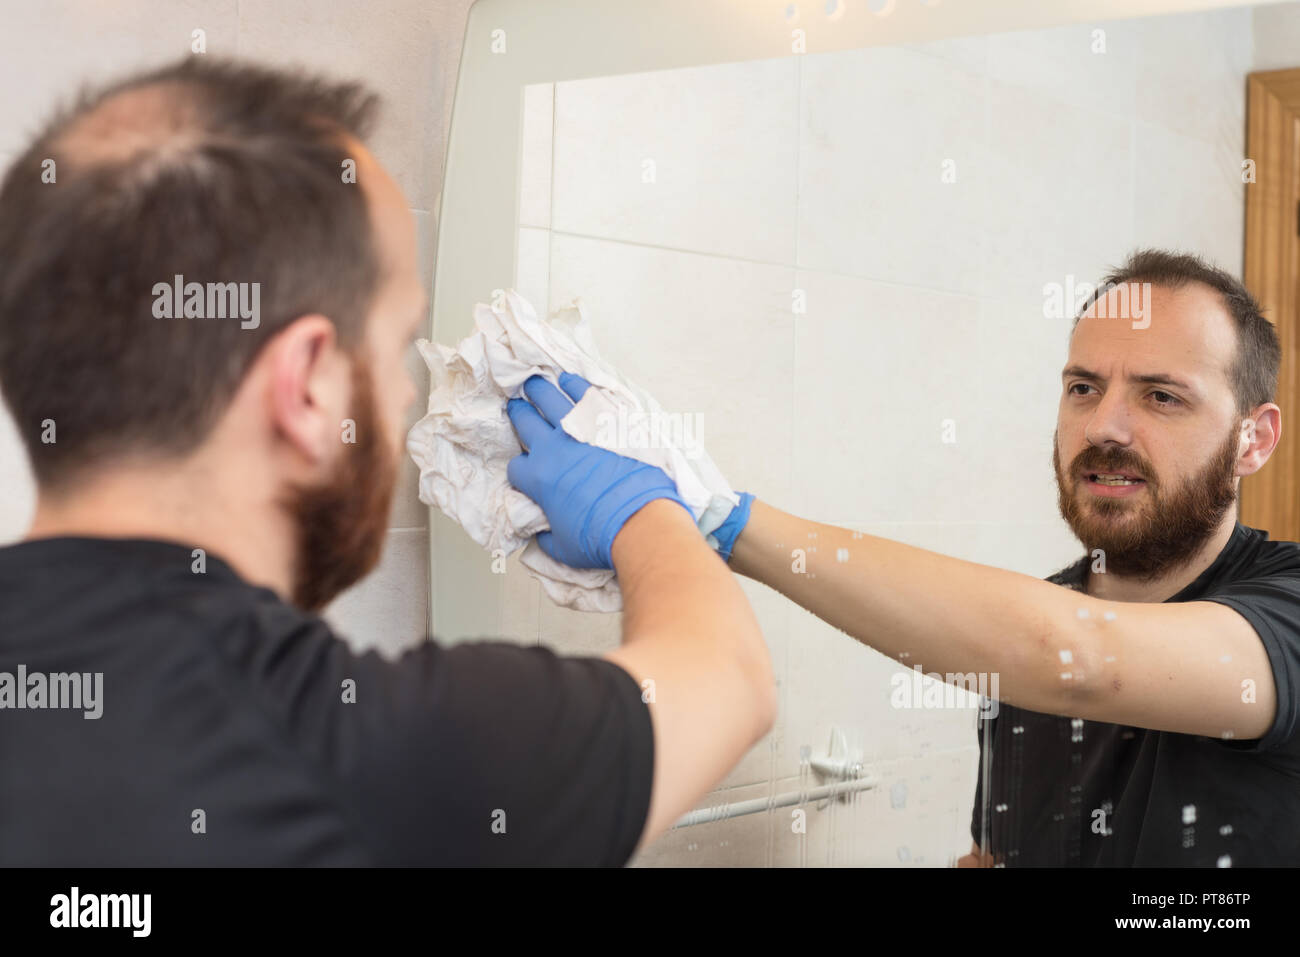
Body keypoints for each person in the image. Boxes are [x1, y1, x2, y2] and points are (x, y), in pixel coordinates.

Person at [0, 57, 775, 865]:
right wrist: (640, 501)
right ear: (303, 389)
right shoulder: (379, 752)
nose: (405, 397)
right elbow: (730, 677)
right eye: (395, 346)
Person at [520, 249, 1300, 866]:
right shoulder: (1012, 637)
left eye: (1163, 396)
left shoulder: (1286, 605)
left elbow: (1086, 656)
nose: (1108, 427)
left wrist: (721, 519)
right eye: (1083, 387)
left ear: (1253, 438)